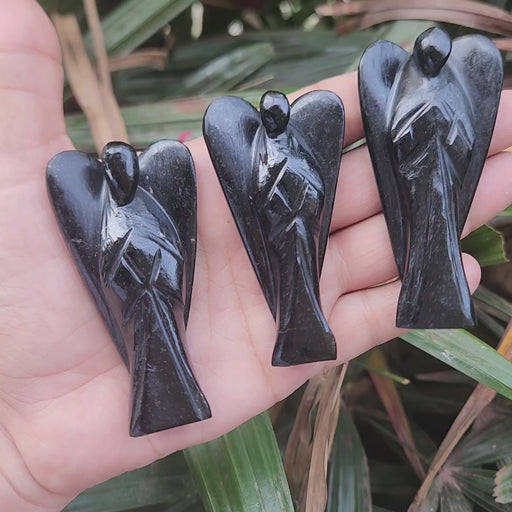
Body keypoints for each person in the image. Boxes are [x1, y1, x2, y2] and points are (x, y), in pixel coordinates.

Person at [1, 0, 512, 510]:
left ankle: (415, 295)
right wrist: (144, 268)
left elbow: (326, 179)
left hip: (377, 199)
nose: (124, 177)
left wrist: (306, 197)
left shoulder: (431, 93)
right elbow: (135, 249)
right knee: (172, 343)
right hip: (161, 290)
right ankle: (170, 395)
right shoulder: (120, 214)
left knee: (404, 246)